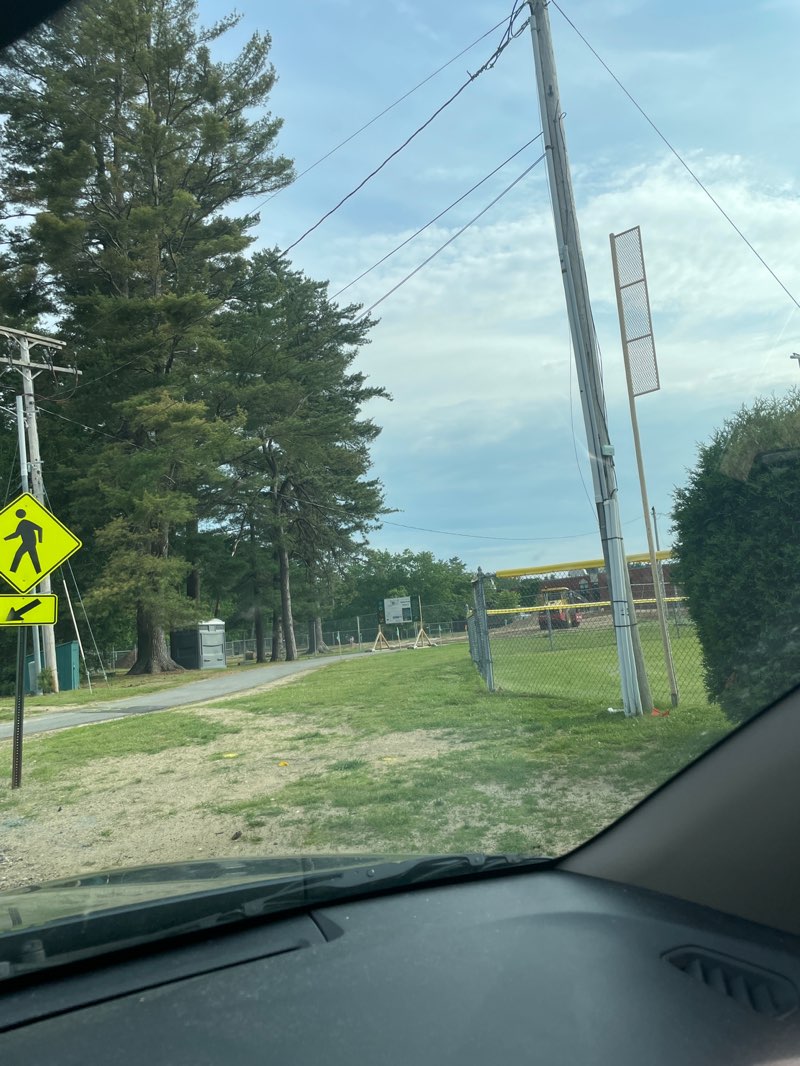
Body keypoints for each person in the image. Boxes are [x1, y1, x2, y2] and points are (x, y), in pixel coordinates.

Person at [5, 508, 43, 574]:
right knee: (33, 557)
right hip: (28, 543)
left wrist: (40, 540)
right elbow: (16, 534)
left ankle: (12, 571)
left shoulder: (25, 522)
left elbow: (40, 528)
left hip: (29, 543)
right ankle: (38, 571)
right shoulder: (22, 523)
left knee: (18, 554)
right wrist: (5, 538)